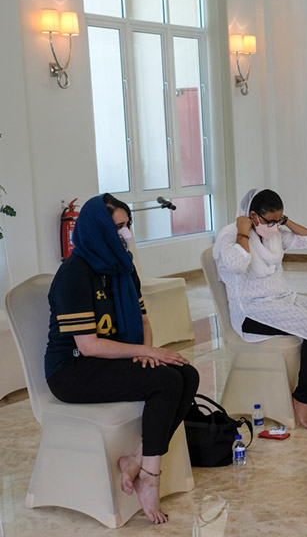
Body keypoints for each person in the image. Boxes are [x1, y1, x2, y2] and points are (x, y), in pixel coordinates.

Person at [45, 193, 199, 525]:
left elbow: (142, 321)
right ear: (98, 230)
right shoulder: (75, 272)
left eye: (128, 225)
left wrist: (148, 352)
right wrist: (145, 351)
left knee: (186, 373)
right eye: (118, 227)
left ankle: (139, 459)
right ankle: (149, 478)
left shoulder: (122, 267)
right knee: (167, 382)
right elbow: (87, 346)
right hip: (72, 370)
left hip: (110, 359)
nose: (126, 234)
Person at [214, 189, 307, 429]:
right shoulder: (229, 235)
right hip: (252, 311)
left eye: (277, 220)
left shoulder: (272, 233)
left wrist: (284, 221)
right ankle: (302, 397)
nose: (275, 226)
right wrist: (243, 231)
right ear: (253, 215)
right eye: (270, 220)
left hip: (282, 298)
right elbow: (238, 265)